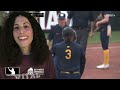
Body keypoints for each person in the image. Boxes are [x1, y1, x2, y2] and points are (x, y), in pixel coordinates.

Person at [0, 11, 56, 79]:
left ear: (34, 30)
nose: (21, 31)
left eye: (26, 26)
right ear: (10, 33)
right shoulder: (3, 59)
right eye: (16, 28)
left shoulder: (46, 57)